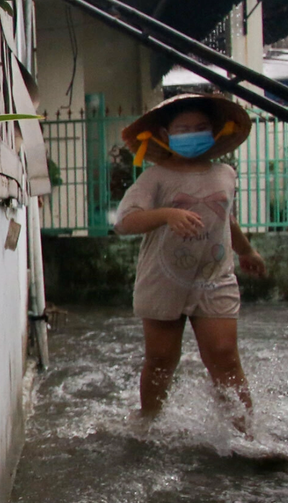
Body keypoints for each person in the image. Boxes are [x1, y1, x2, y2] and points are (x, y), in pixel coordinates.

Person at [113, 94, 267, 436]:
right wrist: (168, 214)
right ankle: (148, 423)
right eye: (184, 128)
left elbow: (225, 218)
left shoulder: (225, 173)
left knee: (225, 356)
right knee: (161, 360)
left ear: (215, 132)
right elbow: (125, 221)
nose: (193, 134)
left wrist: (246, 252)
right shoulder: (155, 178)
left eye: (201, 128)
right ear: (165, 135)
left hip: (215, 277)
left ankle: (246, 433)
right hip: (163, 280)